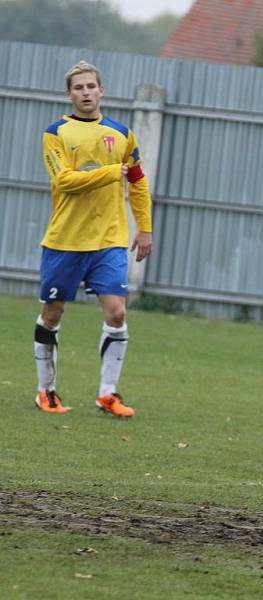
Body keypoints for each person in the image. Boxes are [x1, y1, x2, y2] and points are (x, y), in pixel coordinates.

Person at [34, 61, 153, 418]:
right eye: (78, 88)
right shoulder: (56, 132)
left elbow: (137, 181)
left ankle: (108, 394)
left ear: (102, 90)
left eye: (91, 86)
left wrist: (144, 227)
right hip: (65, 239)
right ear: (69, 94)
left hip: (109, 239)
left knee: (117, 313)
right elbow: (64, 181)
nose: (86, 93)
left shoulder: (121, 134)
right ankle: (46, 391)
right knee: (53, 314)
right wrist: (109, 173)